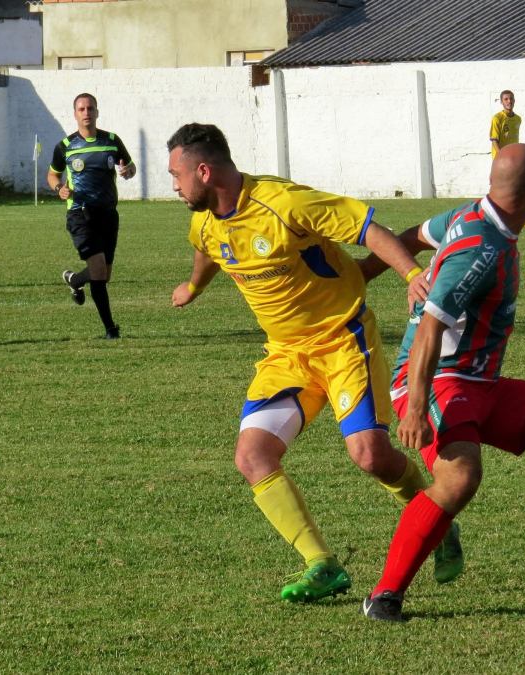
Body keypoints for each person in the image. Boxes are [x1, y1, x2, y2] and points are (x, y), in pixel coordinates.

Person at [166, 123, 464, 603]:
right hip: (286, 355)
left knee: (370, 456)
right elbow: (207, 249)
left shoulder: (284, 203)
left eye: (177, 175)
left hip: (343, 341)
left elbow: (369, 229)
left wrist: (411, 273)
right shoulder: (204, 218)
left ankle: (434, 514)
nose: (175, 186)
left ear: (203, 170)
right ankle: (321, 564)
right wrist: (194, 287)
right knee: (252, 456)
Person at [361, 144, 525, 623]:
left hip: (478, 381)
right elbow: (431, 330)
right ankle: (385, 595)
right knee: (459, 477)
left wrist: (360, 275)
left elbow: (416, 234)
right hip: (437, 380)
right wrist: (415, 406)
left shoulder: (469, 216)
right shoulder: (482, 249)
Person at [48, 93, 136, 339]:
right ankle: (111, 329)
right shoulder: (65, 146)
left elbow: (129, 166)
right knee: (97, 269)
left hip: (108, 214)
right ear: (75, 114)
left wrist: (129, 170)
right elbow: (52, 175)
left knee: (104, 274)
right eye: (81, 109)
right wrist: (59, 188)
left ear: (97, 112)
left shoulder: (112, 140)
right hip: (80, 214)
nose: (86, 113)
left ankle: (75, 280)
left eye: (90, 108)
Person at [489, 90, 520, 159]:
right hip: (500, 158)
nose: (509, 101)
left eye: (511, 98)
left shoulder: (518, 119)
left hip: (513, 157)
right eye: (506, 99)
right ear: (501, 102)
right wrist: (501, 156)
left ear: (514, 100)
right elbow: (494, 140)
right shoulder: (497, 118)